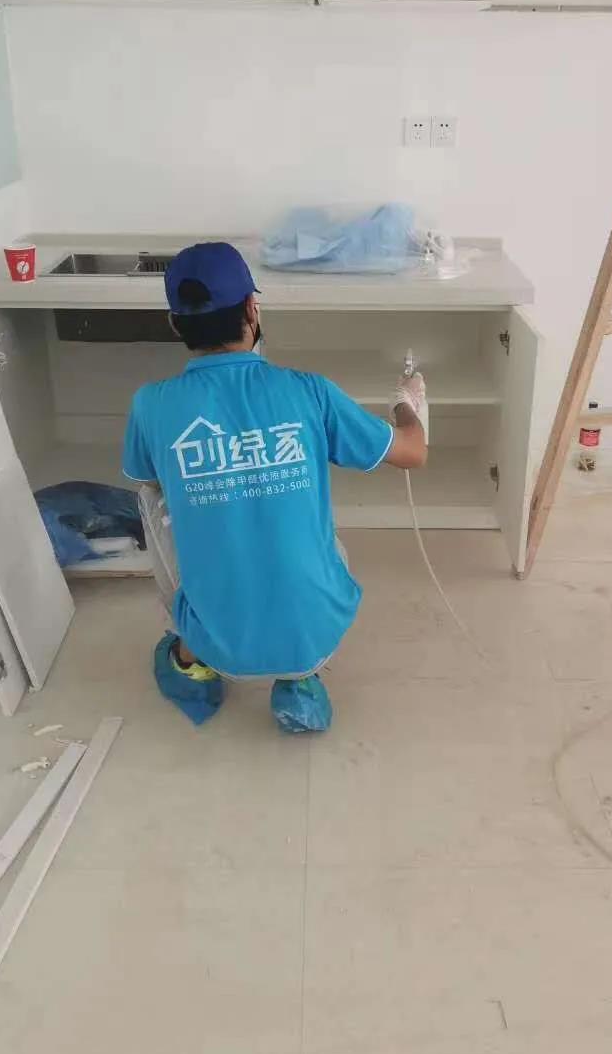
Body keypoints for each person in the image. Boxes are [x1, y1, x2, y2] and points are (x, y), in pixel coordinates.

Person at [123, 241, 428, 733]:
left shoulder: (151, 404)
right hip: (316, 633)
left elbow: (148, 479)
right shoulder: (309, 391)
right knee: (314, 535)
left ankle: (192, 659)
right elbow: (413, 452)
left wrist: (213, 476)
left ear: (175, 323)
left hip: (220, 643)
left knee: (150, 494)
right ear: (252, 309)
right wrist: (406, 404)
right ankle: (301, 682)